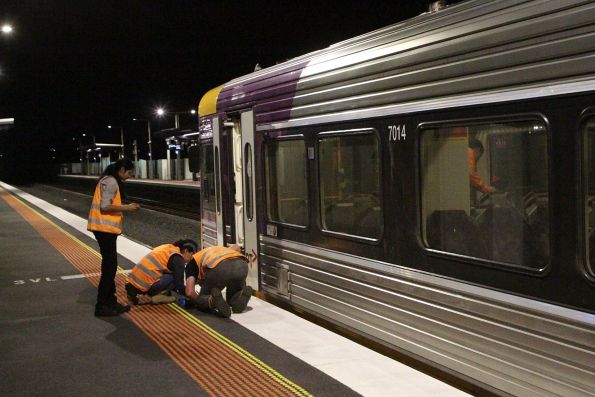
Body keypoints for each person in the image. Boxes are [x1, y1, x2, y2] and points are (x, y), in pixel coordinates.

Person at [88, 157, 140, 317]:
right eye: (129, 172)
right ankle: (102, 305)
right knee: (109, 268)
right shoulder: (111, 181)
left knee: (110, 267)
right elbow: (105, 206)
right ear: (122, 169)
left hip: (104, 229)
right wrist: (128, 208)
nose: (130, 175)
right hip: (104, 229)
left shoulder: (108, 179)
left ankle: (110, 302)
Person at [185, 244, 253, 318]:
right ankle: (237, 299)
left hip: (219, 267)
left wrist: (198, 301)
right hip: (241, 264)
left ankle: (212, 301)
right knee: (233, 296)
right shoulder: (216, 249)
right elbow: (236, 247)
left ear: (189, 253)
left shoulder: (192, 262)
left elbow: (189, 292)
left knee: (202, 301)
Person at [125, 239, 198, 305]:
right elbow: (179, 285)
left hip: (132, 280)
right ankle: (159, 295)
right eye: (192, 255)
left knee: (168, 271)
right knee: (174, 276)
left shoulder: (168, 247)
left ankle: (134, 291)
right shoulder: (178, 259)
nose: (191, 259)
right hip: (147, 286)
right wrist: (190, 296)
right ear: (186, 250)